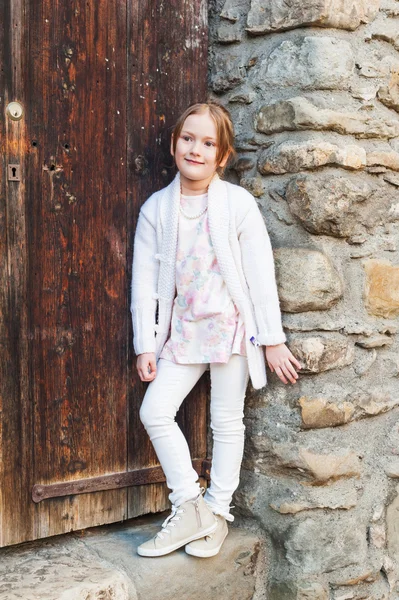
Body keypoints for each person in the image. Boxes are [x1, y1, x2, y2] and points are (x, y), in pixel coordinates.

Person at [131, 101, 301, 558]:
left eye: (208, 143)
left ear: (221, 157)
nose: (196, 149)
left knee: (228, 422)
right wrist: (145, 343)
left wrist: (272, 339)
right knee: (155, 411)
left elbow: (259, 274)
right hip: (183, 331)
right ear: (174, 144)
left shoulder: (237, 204)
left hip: (232, 329)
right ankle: (190, 505)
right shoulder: (157, 210)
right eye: (188, 138)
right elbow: (144, 284)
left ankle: (218, 512)